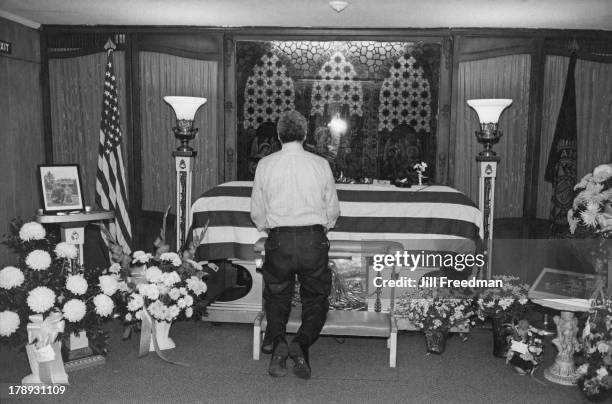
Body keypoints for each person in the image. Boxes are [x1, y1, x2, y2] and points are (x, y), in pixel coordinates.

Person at [250, 110, 340, 379]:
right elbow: (332, 209)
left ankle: (278, 343)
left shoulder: (265, 165)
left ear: (279, 135)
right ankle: (300, 344)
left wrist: (268, 228)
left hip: (279, 240)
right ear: (304, 134)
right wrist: (323, 227)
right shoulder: (320, 164)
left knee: (277, 297)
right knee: (316, 299)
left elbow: (257, 210)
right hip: (313, 239)